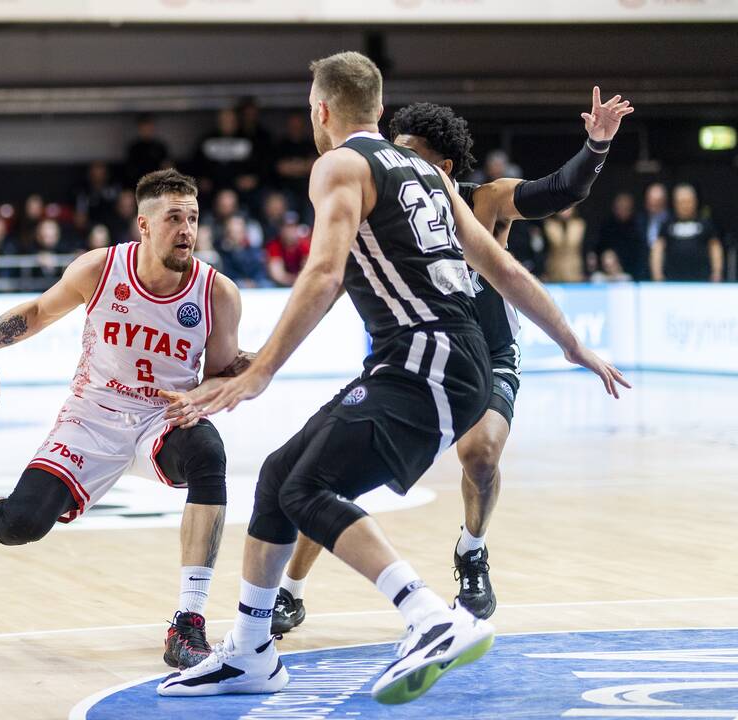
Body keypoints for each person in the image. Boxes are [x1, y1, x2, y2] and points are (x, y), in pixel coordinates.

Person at [156, 52, 629, 703]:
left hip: (424, 357)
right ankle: (249, 651)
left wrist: (261, 370)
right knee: (278, 476)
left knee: (310, 488)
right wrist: (573, 344)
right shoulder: (432, 179)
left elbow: (323, 275)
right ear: (378, 110)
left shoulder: (339, 165)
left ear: (320, 111)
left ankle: (430, 616)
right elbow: (505, 271)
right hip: (434, 359)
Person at [268, 90, 633, 635]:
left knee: (480, 455)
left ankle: (473, 550)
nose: (394, 161)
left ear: (441, 166)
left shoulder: (483, 201)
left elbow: (559, 191)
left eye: (409, 153)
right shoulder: (380, 197)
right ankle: (291, 588)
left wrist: (596, 145)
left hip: (485, 355)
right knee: (330, 473)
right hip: (409, 357)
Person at [0, 169, 249, 671]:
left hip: (162, 417)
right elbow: (40, 313)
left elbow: (218, 374)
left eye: (193, 218)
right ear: (145, 225)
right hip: (93, 417)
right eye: (174, 218)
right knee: (22, 524)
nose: (187, 230)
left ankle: (188, 622)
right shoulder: (101, 269)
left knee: (208, 454)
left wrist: (203, 398)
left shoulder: (217, 293)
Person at [651, 183, 723, 282]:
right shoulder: (667, 224)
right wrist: (657, 274)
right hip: (672, 282)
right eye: (681, 202)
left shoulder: (705, 223)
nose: (685, 206)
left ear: (695, 202)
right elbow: (658, 249)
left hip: (702, 281)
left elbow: (715, 247)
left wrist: (717, 272)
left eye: (688, 201)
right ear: (675, 203)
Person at [634, 183, 670, 280]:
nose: (653, 204)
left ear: (664, 201)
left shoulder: (671, 221)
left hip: (667, 271)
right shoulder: (639, 220)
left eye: (657, 201)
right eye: (650, 200)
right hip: (642, 272)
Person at [542, 206, 587, 282]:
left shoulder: (580, 225)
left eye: (568, 208)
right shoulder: (548, 225)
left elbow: (585, 249)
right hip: (553, 271)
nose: (565, 211)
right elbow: (543, 249)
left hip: (575, 271)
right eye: (563, 208)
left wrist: (586, 271)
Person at [265, 213, 310, 287]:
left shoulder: (304, 244)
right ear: (281, 229)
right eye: (287, 227)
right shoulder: (274, 246)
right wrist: (296, 280)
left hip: (301, 284)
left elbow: (309, 269)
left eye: (293, 227)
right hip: (280, 286)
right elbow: (278, 275)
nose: (290, 231)